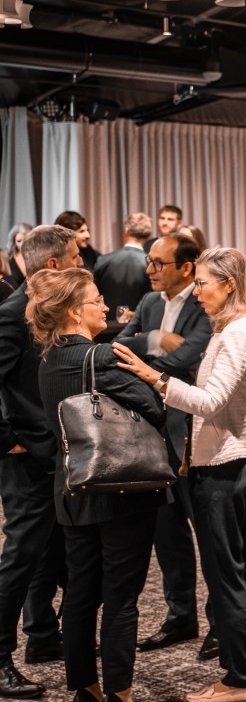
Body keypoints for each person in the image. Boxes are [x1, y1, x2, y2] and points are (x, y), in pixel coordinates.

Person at [113, 248, 246, 702]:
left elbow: (209, 401)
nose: (196, 292)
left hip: (225, 467)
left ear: (229, 285)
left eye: (203, 284)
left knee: (226, 574)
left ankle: (237, 680)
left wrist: (153, 378)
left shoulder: (238, 332)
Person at [28, 268, 169, 702]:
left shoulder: (48, 361)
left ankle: (84, 687)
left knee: (80, 592)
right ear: (74, 311)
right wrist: (149, 378)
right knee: (121, 597)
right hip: (122, 489)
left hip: (73, 487)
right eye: (96, 301)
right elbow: (154, 408)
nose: (105, 306)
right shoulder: (104, 357)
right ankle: (120, 693)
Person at [115, 233, 216, 657]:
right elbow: (117, 347)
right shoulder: (149, 302)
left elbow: (188, 359)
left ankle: (222, 623)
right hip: (153, 431)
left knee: (211, 535)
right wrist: (155, 340)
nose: (149, 269)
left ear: (187, 267)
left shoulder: (206, 301)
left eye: (158, 262)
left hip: (196, 432)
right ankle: (180, 618)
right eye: (150, 262)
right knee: (167, 534)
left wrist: (152, 353)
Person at [0, 224, 80, 697]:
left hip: (56, 453)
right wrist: (9, 439)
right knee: (21, 558)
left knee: (53, 552)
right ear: (53, 264)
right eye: (76, 255)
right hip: (26, 457)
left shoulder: (48, 311)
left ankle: (44, 640)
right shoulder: (11, 316)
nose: (82, 261)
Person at [93, 213, 153, 323]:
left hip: (105, 326)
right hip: (139, 327)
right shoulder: (151, 264)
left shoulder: (103, 260)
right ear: (148, 236)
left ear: (126, 232)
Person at [0, 224, 32, 303]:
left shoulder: (38, 259)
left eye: (25, 240)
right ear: (14, 242)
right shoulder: (8, 261)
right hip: (13, 303)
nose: (22, 244)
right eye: (19, 241)